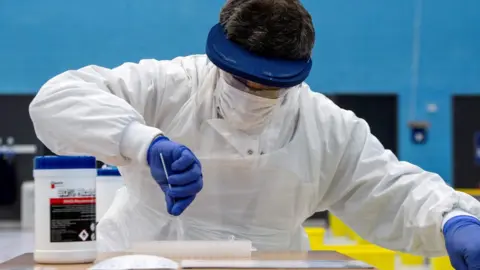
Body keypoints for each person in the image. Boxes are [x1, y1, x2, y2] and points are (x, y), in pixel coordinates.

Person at [30, 0, 480, 268]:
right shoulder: (167, 86)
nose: (253, 94)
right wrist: (141, 142)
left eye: (271, 86)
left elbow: (390, 188)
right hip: (142, 259)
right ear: (220, 58)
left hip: (270, 264)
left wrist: (452, 219)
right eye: (241, 79)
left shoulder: (326, 126)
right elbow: (58, 99)